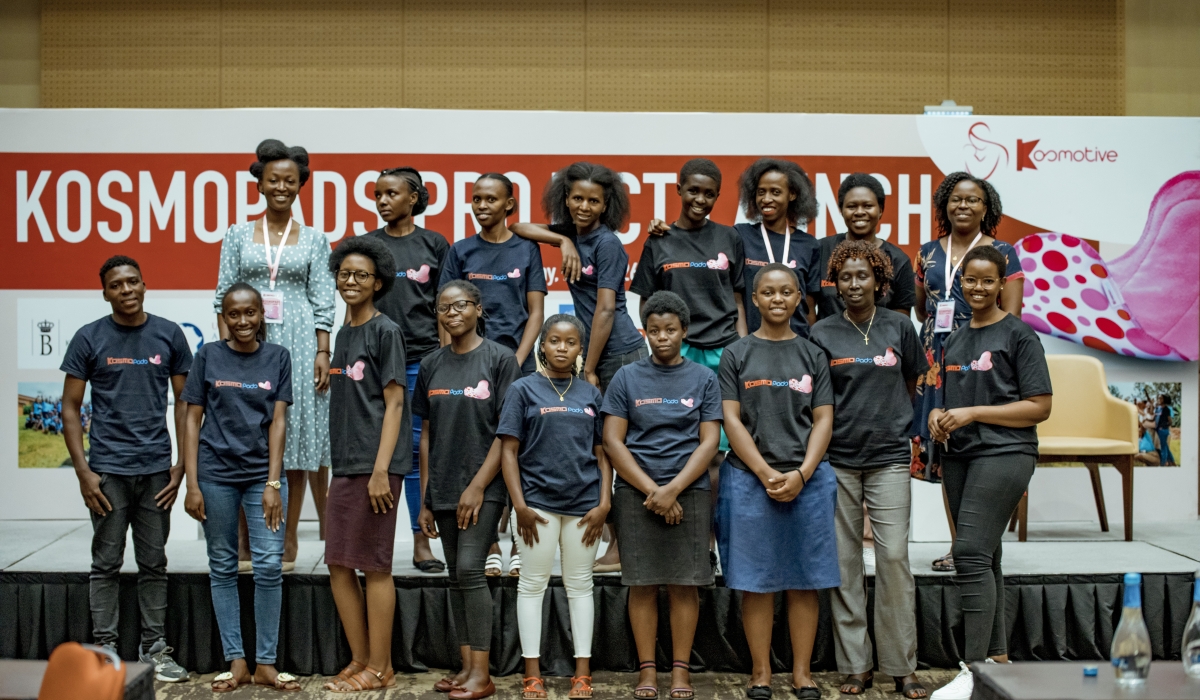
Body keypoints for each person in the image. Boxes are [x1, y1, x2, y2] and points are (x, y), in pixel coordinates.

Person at [925, 245, 1052, 700]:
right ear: (961, 285)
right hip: (961, 455)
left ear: (1003, 284)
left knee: (970, 555)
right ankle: (997, 662)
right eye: (970, 281)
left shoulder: (1020, 335)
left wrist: (974, 412)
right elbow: (955, 400)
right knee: (988, 557)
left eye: (987, 281)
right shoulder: (954, 339)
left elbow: (1040, 407)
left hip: (1007, 454)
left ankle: (974, 672)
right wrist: (941, 416)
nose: (977, 288)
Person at [60, 255, 191, 682]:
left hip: (156, 470)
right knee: (106, 563)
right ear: (105, 293)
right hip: (108, 472)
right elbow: (70, 408)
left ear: (144, 284)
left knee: (154, 563)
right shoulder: (89, 337)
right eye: (117, 285)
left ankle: (155, 649)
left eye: (133, 281)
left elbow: (186, 406)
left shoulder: (168, 334)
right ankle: (105, 652)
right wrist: (83, 473)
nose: (127, 290)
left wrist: (181, 466)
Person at [808, 241, 928, 699]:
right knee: (844, 564)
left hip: (890, 458)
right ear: (835, 284)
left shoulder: (900, 326)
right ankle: (856, 666)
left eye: (863, 277)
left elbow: (915, 378)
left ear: (880, 283)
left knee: (894, 557)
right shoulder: (822, 333)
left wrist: (897, 422)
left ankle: (902, 666)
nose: (854, 284)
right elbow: (819, 400)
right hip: (837, 460)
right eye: (846, 277)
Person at [214, 139, 336, 571]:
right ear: (260, 185)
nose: (282, 187)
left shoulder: (316, 239)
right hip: (248, 339)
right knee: (249, 436)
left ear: (300, 185)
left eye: (290, 180)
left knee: (297, 443)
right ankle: (247, 545)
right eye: (273, 180)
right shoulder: (236, 234)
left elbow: (323, 298)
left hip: (300, 345)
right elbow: (223, 297)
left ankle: (285, 543)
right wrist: (227, 352)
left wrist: (323, 351)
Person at [716, 263, 837, 700]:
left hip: (808, 480)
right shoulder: (736, 353)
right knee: (757, 581)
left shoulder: (813, 353)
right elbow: (731, 418)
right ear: (755, 298)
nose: (778, 299)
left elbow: (824, 419)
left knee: (805, 580)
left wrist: (802, 473)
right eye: (768, 292)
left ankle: (802, 673)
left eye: (787, 291)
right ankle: (761, 672)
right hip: (750, 482)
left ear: (798, 296)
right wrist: (766, 472)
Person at [602, 291, 722, 700]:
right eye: (654, 330)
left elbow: (708, 444)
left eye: (670, 330)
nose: (662, 337)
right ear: (645, 332)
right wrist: (654, 491)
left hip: (688, 491)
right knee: (643, 584)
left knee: (685, 585)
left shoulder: (704, 379)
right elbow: (613, 442)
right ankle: (648, 671)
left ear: (684, 332)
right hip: (638, 494)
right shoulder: (626, 377)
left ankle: (681, 671)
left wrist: (673, 490)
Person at [181, 283, 299, 692]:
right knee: (223, 566)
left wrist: (272, 481)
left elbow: (279, 422)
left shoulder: (278, 357)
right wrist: (192, 483)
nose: (243, 321)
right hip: (215, 475)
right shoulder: (208, 356)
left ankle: (265, 662)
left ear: (261, 314)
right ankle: (236, 661)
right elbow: (191, 419)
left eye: (250, 313)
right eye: (234, 314)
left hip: (261, 476)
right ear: (224, 318)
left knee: (269, 566)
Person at [912, 172, 1024, 573]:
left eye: (973, 199)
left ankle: (982, 543)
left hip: (983, 359)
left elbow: (1012, 313)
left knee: (982, 447)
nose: (963, 205)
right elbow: (923, 306)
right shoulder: (926, 252)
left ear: (986, 207)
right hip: (936, 361)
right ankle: (960, 546)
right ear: (945, 204)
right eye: (956, 199)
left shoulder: (1004, 251)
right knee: (947, 452)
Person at [415, 280, 522, 700]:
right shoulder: (430, 365)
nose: (452, 312)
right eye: (444, 307)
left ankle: (483, 674)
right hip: (442, 487)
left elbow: (507, 432)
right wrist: (426, 497)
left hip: (486, 487)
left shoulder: (499, 360)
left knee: (470, 572)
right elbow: (425, 434)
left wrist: (478, 486)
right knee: (457, 579)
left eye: (460, 305)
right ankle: (465, 668)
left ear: (478, 309)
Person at [498, 314, 611, 700]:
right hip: (537, 507)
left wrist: (604, 503)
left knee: (581, 587)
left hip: (584, 508)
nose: (562, 348)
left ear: (581, 349)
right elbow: (508, 453)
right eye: (555, 341)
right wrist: (520, 506)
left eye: (571, 342)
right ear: (541, 345)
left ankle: (583, 673)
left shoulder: (591, 394)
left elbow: (601, 454)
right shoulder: (523, 390)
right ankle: (533, 674)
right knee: (532, 587)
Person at [322, 235, 412, 692]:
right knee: (338, 562)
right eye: (344, 273)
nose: (351, 280)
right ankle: (360, 659)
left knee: (374, 566)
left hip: (378, 466)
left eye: (361, 275)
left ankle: (382, 667)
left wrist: (382, 470)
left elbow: (395, 404)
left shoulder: (385, 331)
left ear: (378, 283)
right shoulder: (343, 333)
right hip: (346, 463)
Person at [365, 167, 450, 573]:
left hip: (420, 358)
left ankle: (421, 541)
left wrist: (446, 359)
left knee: (417, 452)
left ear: (413, 198)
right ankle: (371, 542)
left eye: (391, 193)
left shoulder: (434, 244)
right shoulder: (364, 245)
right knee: (371, 450)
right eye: (377, 194)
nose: (381, 200)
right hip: (372, 361)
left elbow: (445, 307)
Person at [510, 161, 647, 391]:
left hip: (621, 353)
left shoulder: (607, 244)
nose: (584, 207)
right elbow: (516, 227)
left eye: (593, 201)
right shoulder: (572, 234)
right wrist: (562, 240)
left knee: (620, 424)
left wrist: (589, 368)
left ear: (605, 206)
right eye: (577, 198)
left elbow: (606, 309)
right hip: (597, 351)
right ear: (566, 199)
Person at [440, 173, 546, 377]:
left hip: (518, 361)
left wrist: (517, 361)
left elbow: (536, 312)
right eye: (476, 199)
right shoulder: (460, 250)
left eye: (491, 199)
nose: (481, 205)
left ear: (508, 204)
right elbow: (446, 309)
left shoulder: (527, 249)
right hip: (467, 360)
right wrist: (448, 359)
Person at [734, 158, 821, 336]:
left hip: (796, 344)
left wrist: (808, 348)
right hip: (753, 344)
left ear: (792, 194)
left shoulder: (808, 245)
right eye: (761, 192)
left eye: (775, 192)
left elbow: (809, 308)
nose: (766, 199)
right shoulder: (740, 236)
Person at [815, 173, 916, 320]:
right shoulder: (821, 250)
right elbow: (808, 308)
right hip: (823, 343)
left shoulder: (898, 260)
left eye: (868, 206)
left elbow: (900, 324)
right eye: (852, 206)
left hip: (879, 343)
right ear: (841, 210)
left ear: (880, 210)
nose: (860, 212)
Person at [1154, 393, 1176, 465]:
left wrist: (1162, 426)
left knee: (1163, 448)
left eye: (1161, 398)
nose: (1159, 400)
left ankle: (1163, 464)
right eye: (1158, 398)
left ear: (1164, 399)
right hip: (1158, 430)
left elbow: (1170, 422)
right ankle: (1172, 462)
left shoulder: (1166, 409)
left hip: (1163, 430)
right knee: (1165, 446)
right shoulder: (1157, 408)